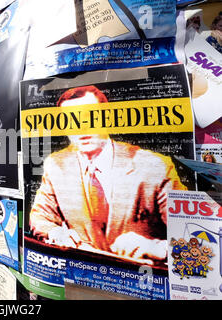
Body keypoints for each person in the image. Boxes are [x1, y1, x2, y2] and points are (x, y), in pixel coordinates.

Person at [29, 85, 187, 264]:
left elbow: (193, 237)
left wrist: (157, 248)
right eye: (71, 121)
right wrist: (57, 234)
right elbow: (40, 217)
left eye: (90, 117)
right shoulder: (57, 164)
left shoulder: (154, 166)